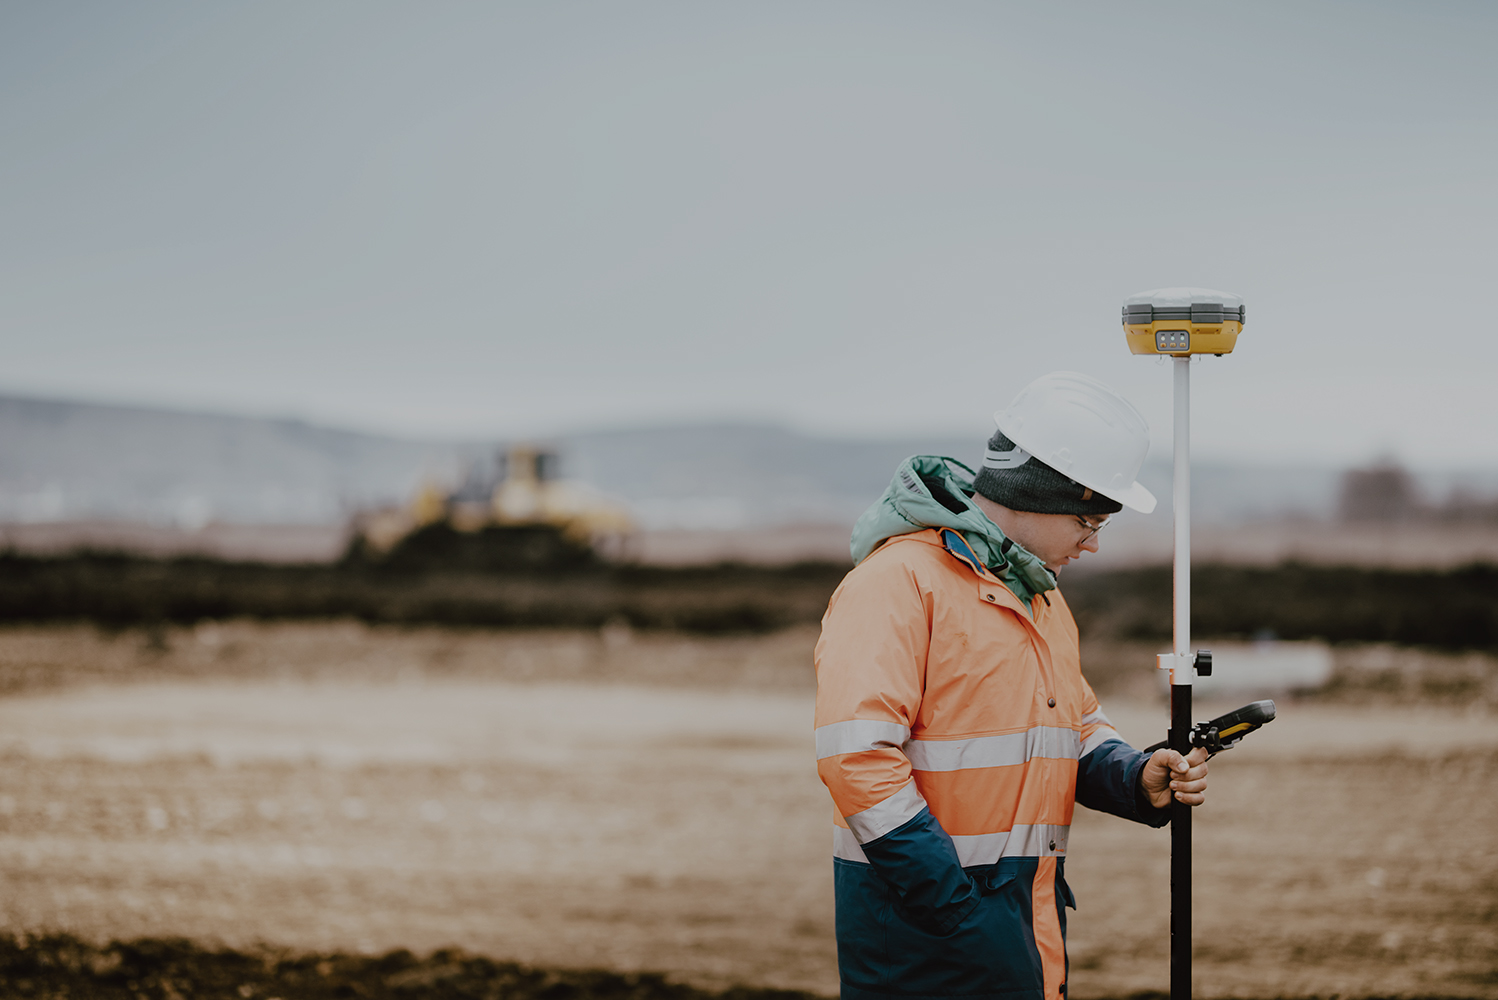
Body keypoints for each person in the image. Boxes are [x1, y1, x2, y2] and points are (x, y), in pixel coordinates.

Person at [814, 371, 1209, 1000]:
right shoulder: (896, 584)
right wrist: (955, 909)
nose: (1094, 545)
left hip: (1023, 911)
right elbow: (858, 759)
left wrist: (1136, 777)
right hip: (924, 933)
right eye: (1091, 521)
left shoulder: (1040, 598)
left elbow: (1071, 726)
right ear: (1042, 494)